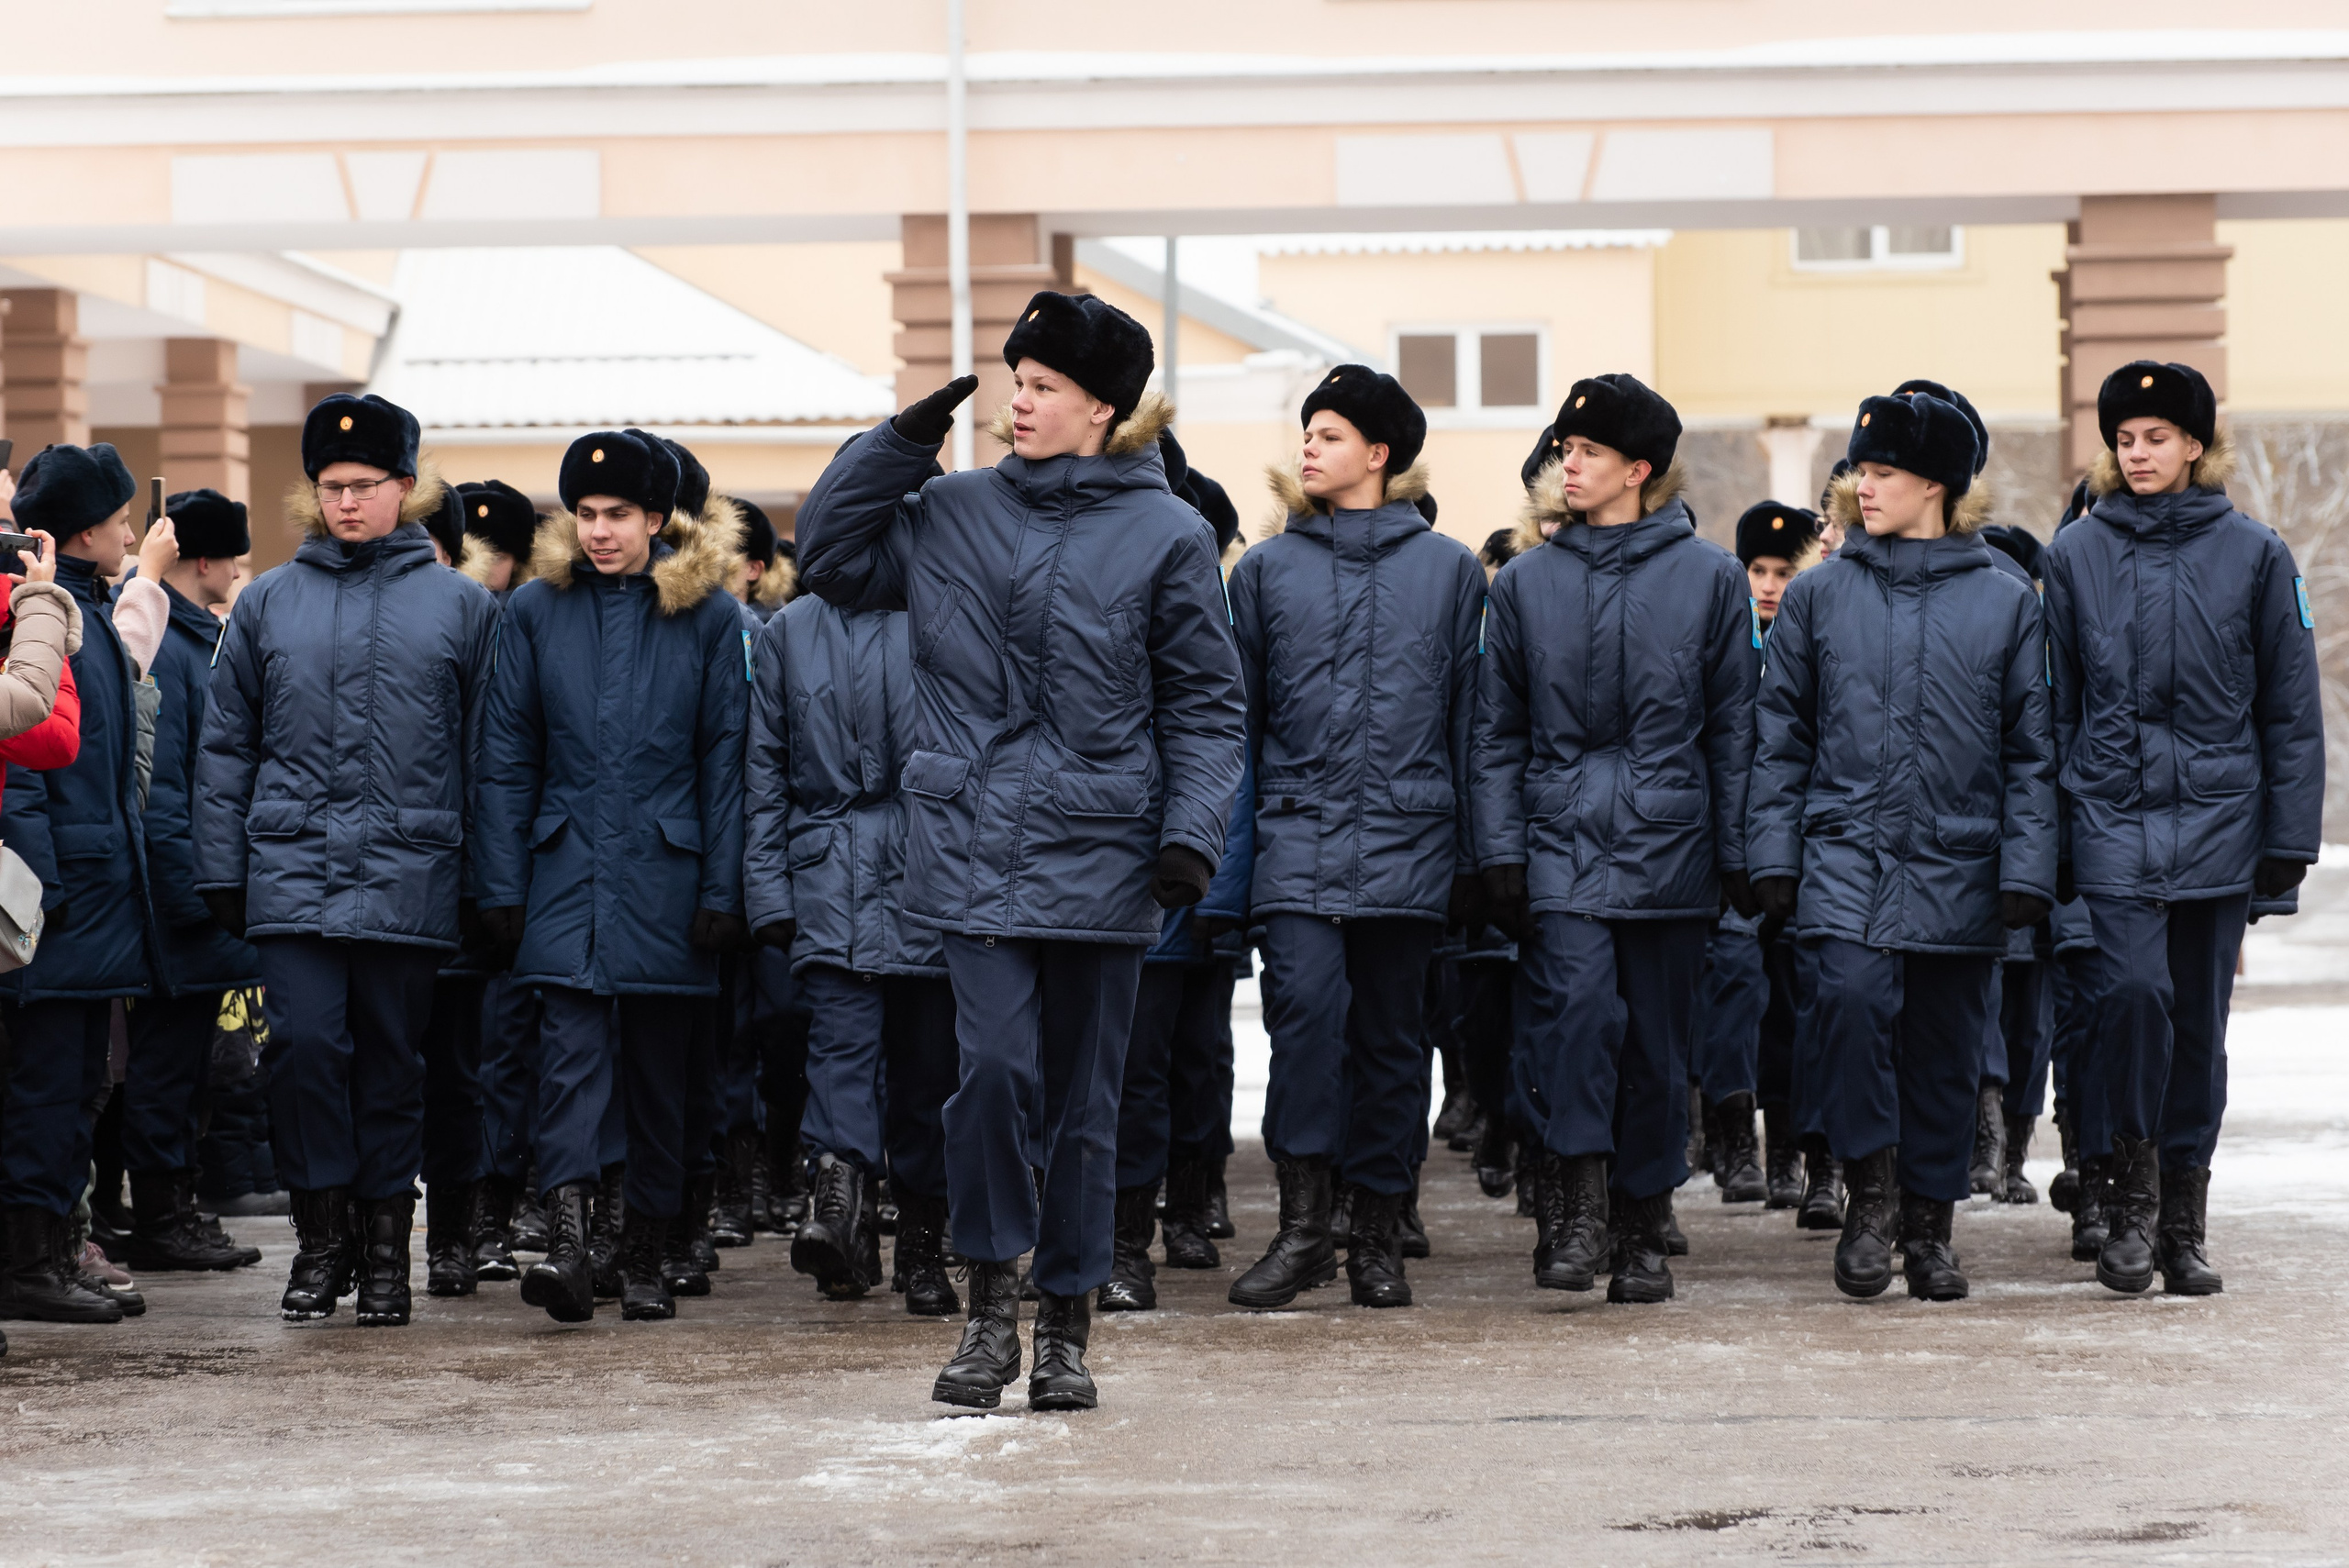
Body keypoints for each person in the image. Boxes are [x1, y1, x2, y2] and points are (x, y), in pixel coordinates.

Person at [797, 289, 1246, 1412]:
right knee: (990, 1079)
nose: (1019, 404)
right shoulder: (950, 511)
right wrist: (898, 444)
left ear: (1102, 407)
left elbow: (1205, 704)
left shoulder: (1168, 532)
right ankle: (989, 1308)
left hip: (1105, 856)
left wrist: (1192, 835)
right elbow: (830, 557)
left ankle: (1068, 1325)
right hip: (971, 843)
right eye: (1016, 382)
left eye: (1044, 387)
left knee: (1086, 1104)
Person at [197, 394, 501, 1328]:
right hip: (290, 873)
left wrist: (490, 885)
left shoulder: (459, 605)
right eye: (330, 487)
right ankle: (319, 1240)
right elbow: (225, 742)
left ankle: (383, 1256)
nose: (346, 503)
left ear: (405, 488)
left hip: (412, 872)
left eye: (364, 486)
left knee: (390, 1064)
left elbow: (489, 754)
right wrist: (222, 868)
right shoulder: (272, 601)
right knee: (303, 1052)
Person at [1747, 389, 2055, 1303]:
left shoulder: (2003, 602)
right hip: (1845, 853)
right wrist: (1771, 852)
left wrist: (2026, 867)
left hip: (1962, 860)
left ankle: (1929, 1223)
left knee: (1945, 1049)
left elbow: (2031, 749)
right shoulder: (1817, 595)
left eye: (1881, 471)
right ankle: (1869, 1198)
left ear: (1935, 483)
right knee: (1844, 1009)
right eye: (1859, 468)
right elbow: (1781, 736)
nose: (1862, 485)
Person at [2042, 361, 2321, 1296]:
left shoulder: (2255, 553)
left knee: (2196, 1026)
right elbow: (2055, 709)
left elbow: (2289, 707)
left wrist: (2288, 836)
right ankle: (2126, 1189)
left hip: (2217, 821)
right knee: (2128, 996)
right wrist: (2052, 834)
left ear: (2195, 443)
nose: (2138, 451)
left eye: (2156, 436)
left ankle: (2181, 1217)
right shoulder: (2075, 556)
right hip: (2110, 815)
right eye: (2124, 438)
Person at [1475, 374, 1756, 1305]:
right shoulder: (1523, 583)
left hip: (1670, 843)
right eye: (1564, 448)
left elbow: (1733, 725)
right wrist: (1501, 851)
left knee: (1657, 1047)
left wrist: (1738, 851)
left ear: (1639, 468)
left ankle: (1643, 1225)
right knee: (1578, 1018)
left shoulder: (1710, 577)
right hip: (1559, 843)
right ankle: (1579, 1207)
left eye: (1588, 451)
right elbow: (1494, 731)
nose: (1569, 463)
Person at [1221, 365, 1482, 1313]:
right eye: (1306, 432)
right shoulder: (1263, 571)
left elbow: (1470, 723)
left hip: (1411, 846)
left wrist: (1476, 858)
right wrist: (1227, 873)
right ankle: (1301, 1229)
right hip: (1295, 841)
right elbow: (1235, 730)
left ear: (1378, 453)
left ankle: (1377, 1232)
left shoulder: (1448, 570)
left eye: (1328, 434)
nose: (1308, 449)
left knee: (1391, 1044)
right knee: (1304, 1029)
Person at [476, 428, 749, 1325]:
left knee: (660, 1074)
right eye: (585, 513)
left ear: (656, 517)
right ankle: (567, 1242)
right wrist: (503, 881)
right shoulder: (534, 610)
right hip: (563, 869)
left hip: (668, 876)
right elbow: (507, 754)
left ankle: (642, 1251)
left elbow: (725, 757)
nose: (599, 530)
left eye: (618, 514)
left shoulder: (706, 615)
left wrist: (722, 888)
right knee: (569, 1063)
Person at [743, 554, 959, 1313]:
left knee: (930, 1073)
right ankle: (839, 1213)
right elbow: (763, 770)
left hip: (935, 874)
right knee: (838, 1048)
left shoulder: (950, 613)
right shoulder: (790, 631)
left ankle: (925, 1247)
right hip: (829, 871)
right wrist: (767, 890)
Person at [0, 443, 153, 1329]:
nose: (133, 533)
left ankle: (60, 1246)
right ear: (82, 531)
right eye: (121, 519)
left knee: (80, 1085)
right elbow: (23, 769)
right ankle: (31, 1259)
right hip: (59, 902)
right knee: (49, 1087)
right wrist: (40, 891)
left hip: (97, 894)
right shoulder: (45, 616)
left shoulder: (84, 608)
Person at [121, 489, 265, 1274]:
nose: (238, 570)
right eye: (233, 556)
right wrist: (194, 895)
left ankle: (176, 1209)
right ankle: (163, 1216)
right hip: (185, 902)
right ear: (203, 560)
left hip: (197, 896)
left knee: (188, 1070)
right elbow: (168, 792)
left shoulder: (198, 641)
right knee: (168, 1069)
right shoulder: (177, 650)